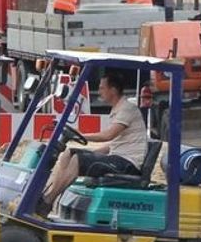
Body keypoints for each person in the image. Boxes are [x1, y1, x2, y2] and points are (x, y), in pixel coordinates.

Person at [41, 71, 148, 209]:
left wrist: (83, 136)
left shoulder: (127, 109)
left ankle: (48, 201)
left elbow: (108, 135)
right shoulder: (118, 109)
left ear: (113, 90)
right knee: (69, 153)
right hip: (118, 158)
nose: (99, 91)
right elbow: (113, 144)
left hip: (128, 164)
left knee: (78, 159)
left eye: (102, 88)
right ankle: (49, 193)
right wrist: (92, 153)